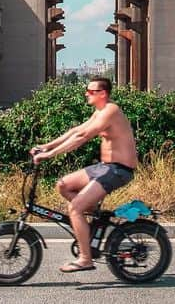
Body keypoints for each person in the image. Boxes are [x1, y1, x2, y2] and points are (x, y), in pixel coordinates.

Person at [30, 75, 138, 274]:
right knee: (63, 185)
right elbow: (76, 130)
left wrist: (49, 155)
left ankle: (85, 258)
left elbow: (83, 137)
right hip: (105, 167)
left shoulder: (110, 111)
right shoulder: (100, 111)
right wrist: (45, 146)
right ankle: (90, 222)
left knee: (75, 208)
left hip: (118, 169)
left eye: (91, 91)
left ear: (103, 94)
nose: (86, 94)